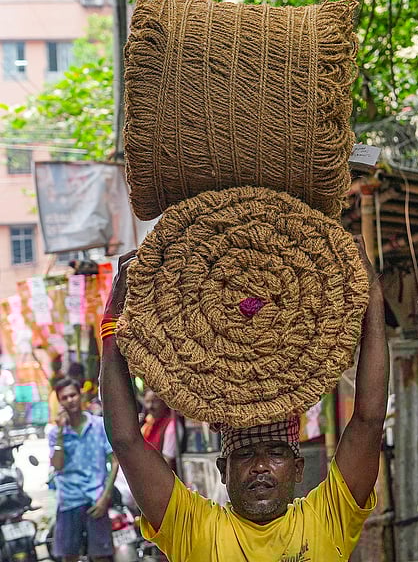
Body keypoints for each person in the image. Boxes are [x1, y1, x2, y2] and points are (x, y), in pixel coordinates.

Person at [100, 237, 389, 561]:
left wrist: (373, 297)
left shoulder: (327, 518)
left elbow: (370, 420)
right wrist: (112, 322)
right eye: (246, 453)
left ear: (297, 468)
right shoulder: (194, 528)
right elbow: (125, 441)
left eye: (276, 454)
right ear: (223, 469)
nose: (261, 466)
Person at [48, 377, 119, 562]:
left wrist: (105, 497)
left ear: (81, 395)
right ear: (60, 402)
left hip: (96, 500)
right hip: (69, 501)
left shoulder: (99, 425)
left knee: (101, 556)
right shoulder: (55, 433)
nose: (70, 400)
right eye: (64, 398)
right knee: (69, 556)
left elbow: (115, 462)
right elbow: (57, 465)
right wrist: (61, 434)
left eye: (73, 395)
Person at [141, 389, 178, 471]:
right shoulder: (149, 422)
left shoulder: (171, 426)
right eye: (147, 402)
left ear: (164, 402)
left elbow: (167, 463)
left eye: (154, 402)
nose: (150, 406)